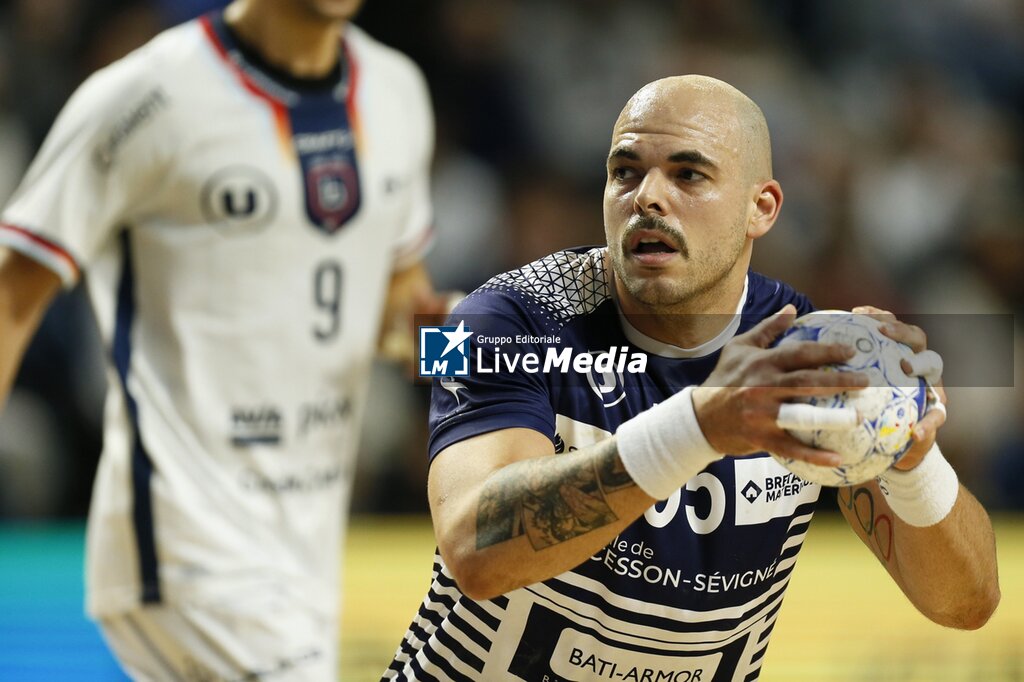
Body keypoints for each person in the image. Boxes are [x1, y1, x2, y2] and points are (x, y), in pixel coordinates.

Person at [385, 75, 1000, 681]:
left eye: (688, 174)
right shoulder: (500, 318)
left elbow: (967, 605)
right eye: (625, 172)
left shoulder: (806, 356)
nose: (648, 197)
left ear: (761, 208)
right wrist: (701, 425)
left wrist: (914, 461)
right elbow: (473, 552)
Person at [0, 0, 449, 679]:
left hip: (307, 540)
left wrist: (485, 354)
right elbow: (13, 292)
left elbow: (397, 306)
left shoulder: (398, 91)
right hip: (182, 538)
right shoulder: (146, 95)